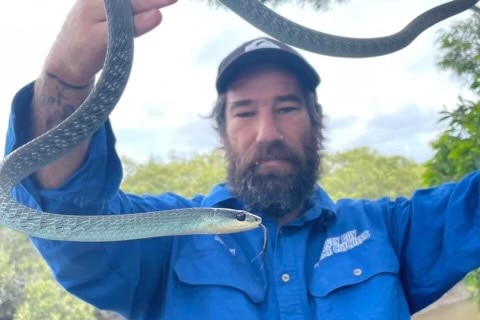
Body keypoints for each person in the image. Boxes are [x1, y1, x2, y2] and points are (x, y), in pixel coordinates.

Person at [4, 0, 480, 319]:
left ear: (317, 121)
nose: (267, 132)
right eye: (245, 111)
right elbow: (62, 212)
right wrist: (65, 73)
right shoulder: (165, 236)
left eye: (288, 108)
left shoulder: (390, 231)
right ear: (222, 129)